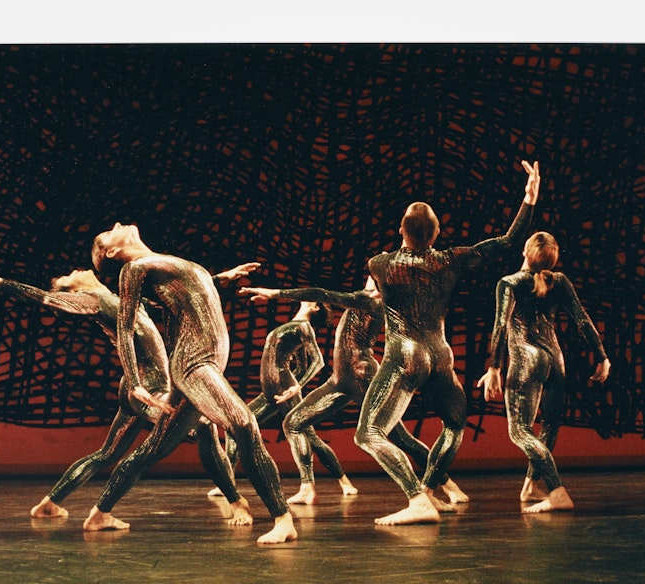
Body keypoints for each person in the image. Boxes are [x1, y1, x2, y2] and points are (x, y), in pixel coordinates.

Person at [0, 261, 256, 526]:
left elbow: (175, 298)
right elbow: (47, 299)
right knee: (203, 427)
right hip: (148, 389)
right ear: (72, 292)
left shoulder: (122, 300)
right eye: (68, 277)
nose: (76, 270)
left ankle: (49, 504)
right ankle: (235, 501)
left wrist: (220, 280)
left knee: (106, 453)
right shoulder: (92, 299)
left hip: (136, 387)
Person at [83, 222, 296, 544]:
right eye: (108, 232)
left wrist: (225, 278)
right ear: (112, 252)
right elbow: (125, 327)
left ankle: (99, 514)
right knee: (244, 424)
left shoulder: (164, 262)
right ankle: (282, 519)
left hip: (205, 360)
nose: (115, 224)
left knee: (154, 448)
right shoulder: (134, 269)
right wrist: (135, 382)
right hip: (193, 364)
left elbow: (193, 290)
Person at [357, 159, 541, 525]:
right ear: (438, 233)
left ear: (400, 230)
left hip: (405, 352)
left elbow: (373, 295)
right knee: (455, 424)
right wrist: (528, 200)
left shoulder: (378, 263)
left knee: (369, 432)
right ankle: (427, 488)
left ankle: (417, 498)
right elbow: (506, 243)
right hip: (440, 354)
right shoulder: (449, 260)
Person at [239, 276, 469, 506]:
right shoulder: (365, 300)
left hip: (362, 377)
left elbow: (320, 292)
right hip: (340, 380)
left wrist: (274, 293)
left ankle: (446, 486)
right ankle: (307, 487)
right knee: (293, 423)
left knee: (401, 438)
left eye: (374, 275)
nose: (368, 275)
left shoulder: (369, 301)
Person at [475, 231, 611, 513]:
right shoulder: (559, 281)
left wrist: (495, 367)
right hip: (555, 359)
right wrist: (602, 357)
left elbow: (500, 325)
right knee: (549, 425)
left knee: (519, 431)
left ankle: (557, 491)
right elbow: (582, 320)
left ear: (525, 251)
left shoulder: (509, 283)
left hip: (527, 358)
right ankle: (530, 485)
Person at [209, 300, 345, 504]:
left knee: (307, 435)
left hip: (283, 387)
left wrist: (296, 386)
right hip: (271, 390)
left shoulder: (303, 327)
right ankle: (227, 482)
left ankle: (323, 484)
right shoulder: (295, 327)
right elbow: (302, 364)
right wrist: (296, 382)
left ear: (315, 307)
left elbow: (318, 361)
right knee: (235, 426)